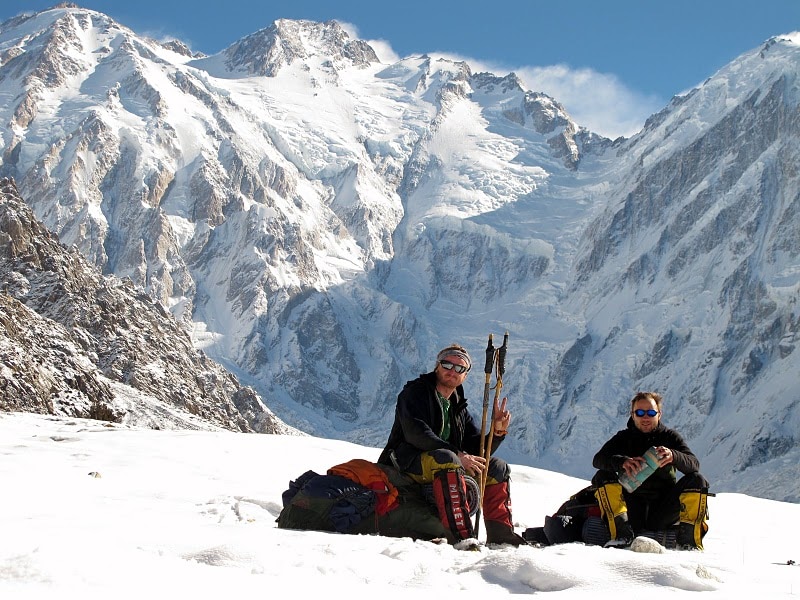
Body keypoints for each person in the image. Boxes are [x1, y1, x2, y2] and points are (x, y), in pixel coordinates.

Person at [378, 343, 526, 546]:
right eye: (447, 364)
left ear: (465, 375)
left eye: (459, 368)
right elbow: (416, 434)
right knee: (448, 458)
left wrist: (497, 433)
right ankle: (462, 537)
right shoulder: (415, 393)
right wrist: (458, 455)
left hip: (443, 462)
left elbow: (476, 448)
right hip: (406, 463)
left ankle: (502, 537)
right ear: (437, 366)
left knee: (496, 467)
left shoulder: (457, 405)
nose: (452, 371)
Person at [591, 391, 710, 549]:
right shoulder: (624, 438)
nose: (645, 417)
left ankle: (690, 543)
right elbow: (598, 460)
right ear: (633, 415)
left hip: (663, 509)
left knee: (697, 480)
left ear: (659, 414)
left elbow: (694, 464)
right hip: (631, 508)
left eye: (651, 413)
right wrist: (622, 462)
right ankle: (620, 535)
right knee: (602, 475)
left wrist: (674, 456)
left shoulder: (670, 437)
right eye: (640, 413)